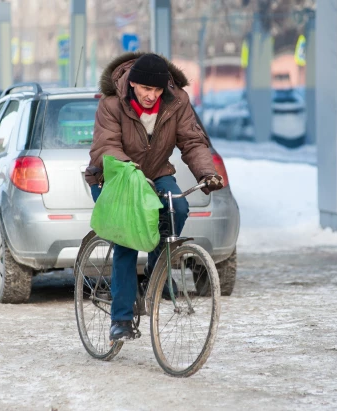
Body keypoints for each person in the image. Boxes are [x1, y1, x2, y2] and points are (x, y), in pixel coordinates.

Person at [85, 52, 224, 341]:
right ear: (133, 83)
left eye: (158, 90)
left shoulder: (178, 101)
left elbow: (192, 140)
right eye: (146, 89)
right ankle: (121, 320)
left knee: (179, 208)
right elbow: (105, 145)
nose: (152, 96)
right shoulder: (111, 103)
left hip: (156, 172)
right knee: (128, 239)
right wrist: (130, 170)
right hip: (115, 174)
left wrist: (206, 173)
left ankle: (155, 274)